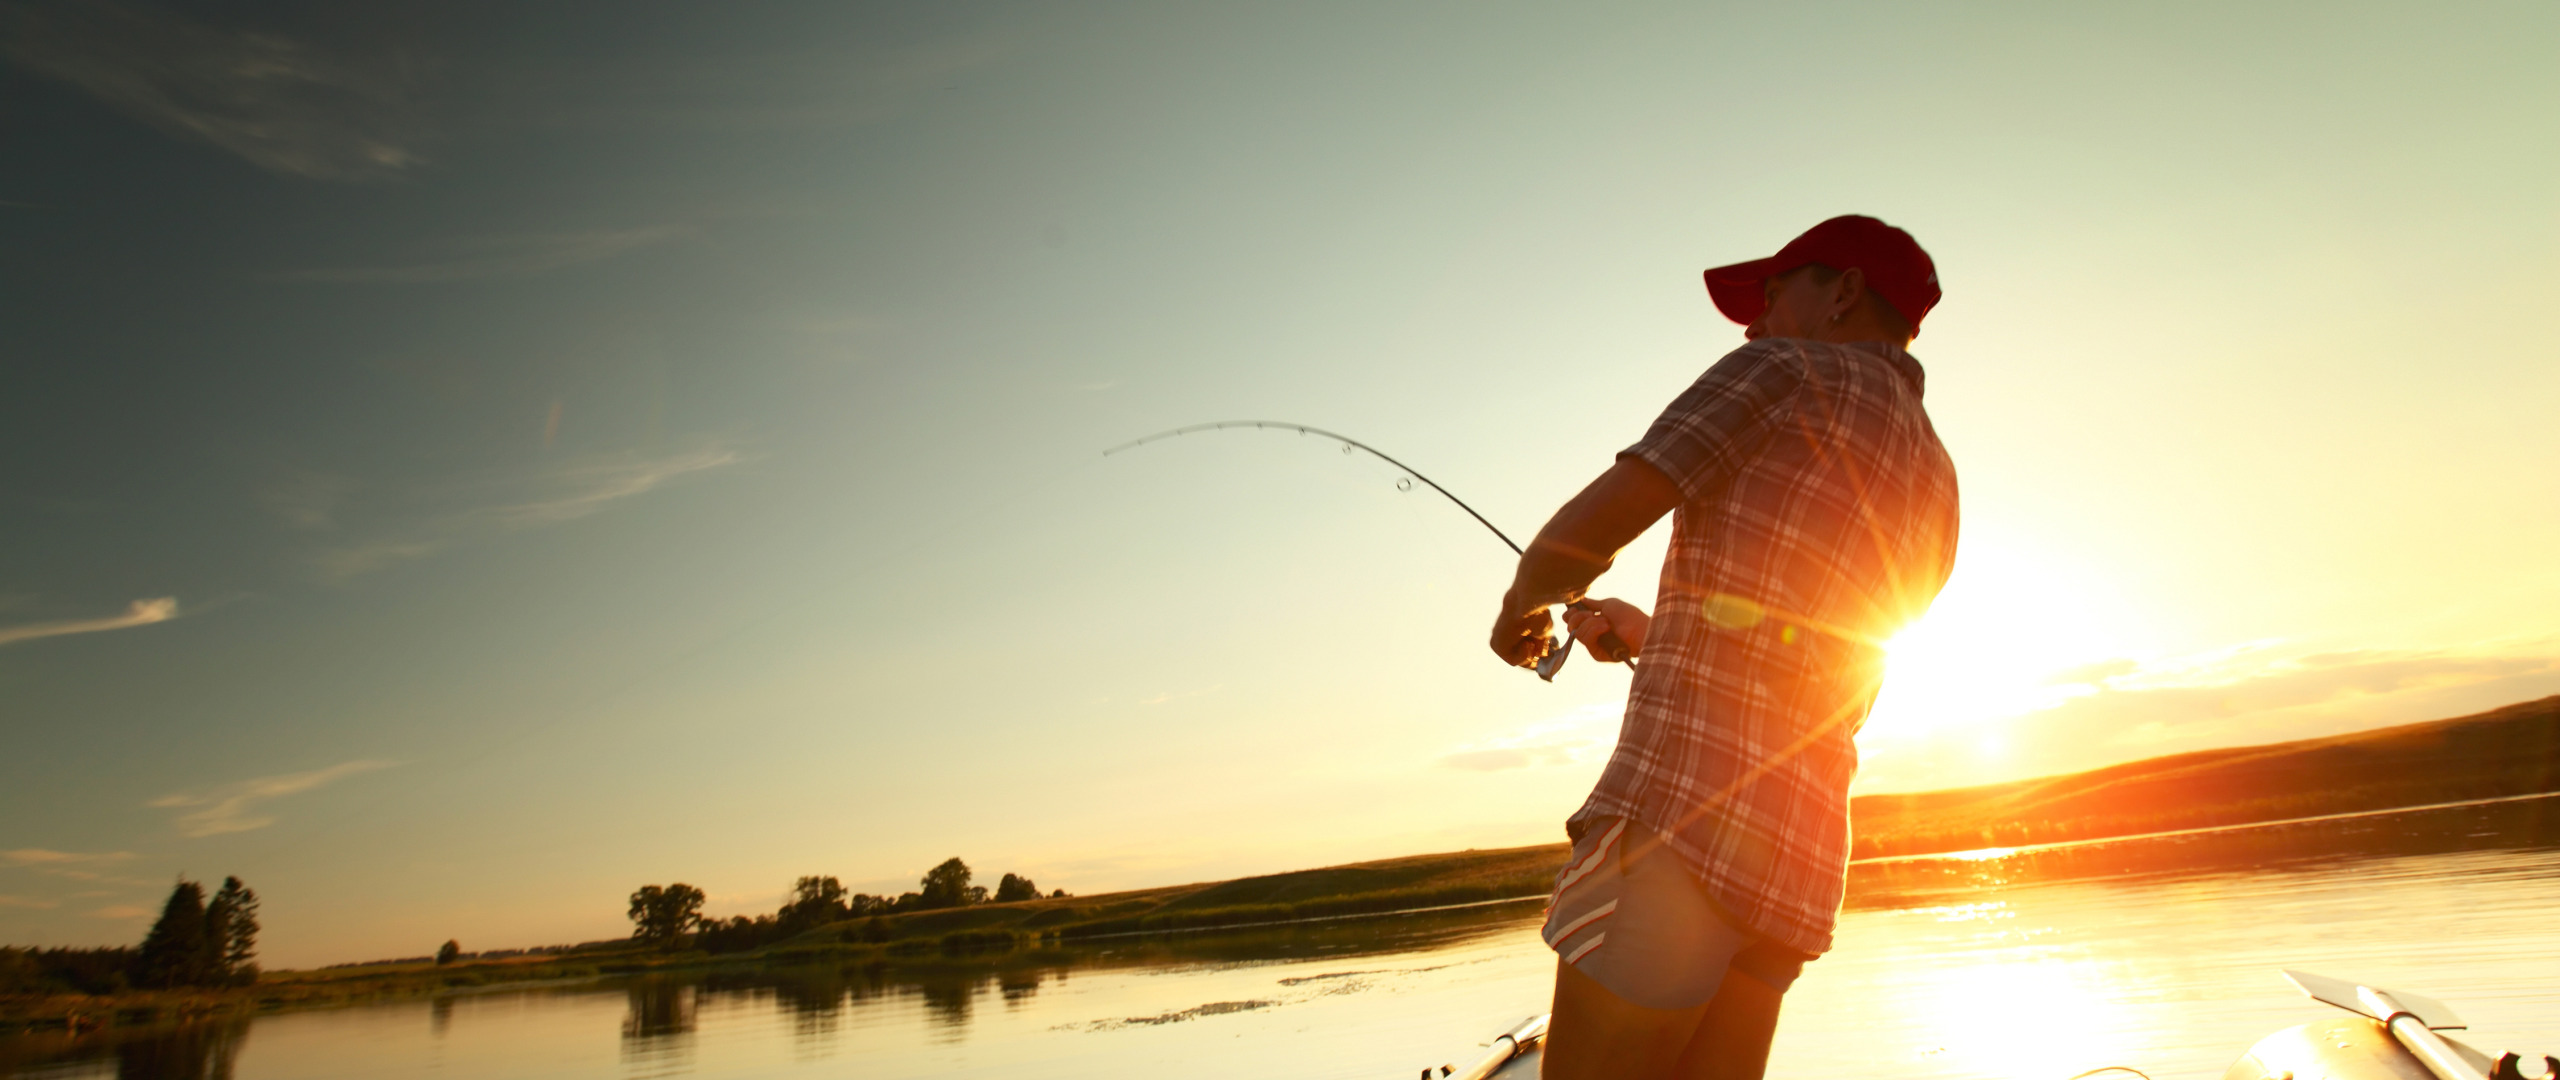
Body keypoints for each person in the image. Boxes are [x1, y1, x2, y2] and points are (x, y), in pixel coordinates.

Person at [1487, 215, 1962, 1080]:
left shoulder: (1782, 370)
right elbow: (1833, 663)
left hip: (1681, 827)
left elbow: (1580, 539)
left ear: (1844, 290)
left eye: (1773, 292)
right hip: (1796, 862)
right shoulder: (1937, 474)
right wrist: (1656, 637)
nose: (1753, 322)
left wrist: (1524, 603)